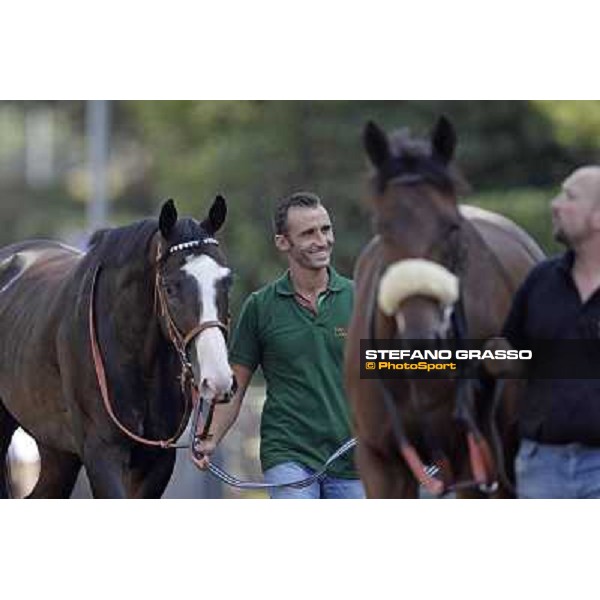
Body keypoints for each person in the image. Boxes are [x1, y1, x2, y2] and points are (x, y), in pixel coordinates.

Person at [192, 192, 365, 499]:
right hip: (288, 453)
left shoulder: (361, 299)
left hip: (353, 457)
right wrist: (211, 438)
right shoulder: (261, 307)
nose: (322, 240)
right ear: (283, 242)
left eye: (325, 229)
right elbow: (236, 385)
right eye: (308, 233)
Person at [498, 165, 600, 498]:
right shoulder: (540, 280)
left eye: (569, 196)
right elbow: (509, 354)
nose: (555, 204)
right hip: (542, 464)